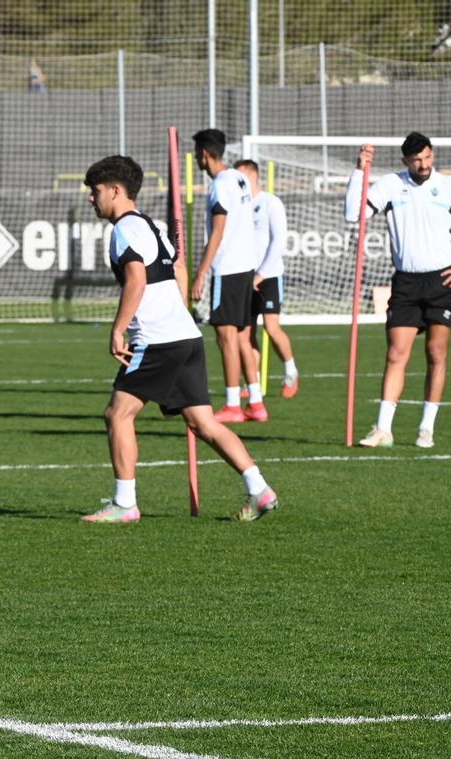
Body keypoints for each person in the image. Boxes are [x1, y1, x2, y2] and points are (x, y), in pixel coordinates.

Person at [80, 155, 278, 524]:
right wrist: (182, 312)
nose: (91, 199)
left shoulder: (123, 230)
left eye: (95, 192)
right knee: (203, 423)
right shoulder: (150, 225)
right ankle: (260, 488)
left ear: (115, 190)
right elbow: (179, 270)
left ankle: (125, 503)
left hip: (157, 340)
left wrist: (118, 328)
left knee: (117, 414)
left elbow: (137, 280)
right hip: (186, 337)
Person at [346, 132, 451, 449]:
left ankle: (426, 429)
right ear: (406, 160)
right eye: (417, 159)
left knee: (435, 353)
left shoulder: (446, 186)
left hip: (441, 282)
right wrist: (358, 170)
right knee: (395, 354)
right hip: (405, 282)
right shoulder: (391, 185)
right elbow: (354, 214)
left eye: (428, 157)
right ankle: (383, 429)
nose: (424, 164)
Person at [190, 129, 267, 423]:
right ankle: (256, 403)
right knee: (240, 336)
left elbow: (218, 232)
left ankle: (234, 403)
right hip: (245, 267)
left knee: (225, 336)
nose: (197, 158)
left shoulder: (221, 185)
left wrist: (200, 273)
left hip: (228, 269)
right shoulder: (239, 178)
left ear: (205, 154)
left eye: (198, 153)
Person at [234, 159, 299, 398]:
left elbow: (278, 241)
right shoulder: (238, 206)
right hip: (244, 276)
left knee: (272, 328)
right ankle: (253, 383)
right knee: (246, 332)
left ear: (252, 176)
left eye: (241, 176)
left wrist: (261, 273)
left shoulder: (270, 203)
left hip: (268, 276)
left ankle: (291, 371)